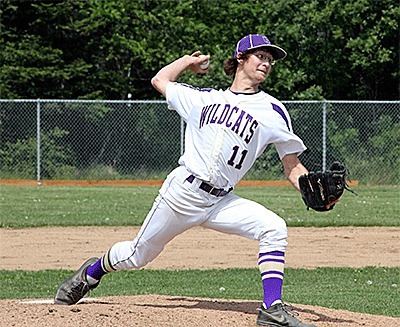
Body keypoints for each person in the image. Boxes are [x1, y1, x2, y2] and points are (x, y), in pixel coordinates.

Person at [55, 34, 323, 327]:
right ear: (241, 59)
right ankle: (91, 273)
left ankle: (272, 309)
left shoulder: (273, 110)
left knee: (274, 228)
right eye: (261, 56)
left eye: (271, 60)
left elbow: (292, 165)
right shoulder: (202, 98)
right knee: (137, 255)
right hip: (182, 193)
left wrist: (310, 189)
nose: (267, 63)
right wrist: (188, 62)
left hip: (221, 200)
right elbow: (160, 80)